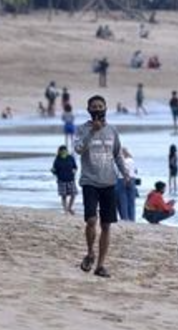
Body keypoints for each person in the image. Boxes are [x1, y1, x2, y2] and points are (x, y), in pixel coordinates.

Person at [75, 95, 129, 278]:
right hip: (89, 181)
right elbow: (78, 149)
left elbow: (118, 155)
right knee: (91, 220)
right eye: (94, 107)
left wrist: (125, 173)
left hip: (109, 182)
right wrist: (92, 133)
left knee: (106, 225)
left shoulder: (113, 131)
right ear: (89, 110)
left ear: (106, 108)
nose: (98, 109)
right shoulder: (82, 129)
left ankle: (100, 265)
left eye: (100, 106)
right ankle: (90, 252)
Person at [51, 145, 77, 215]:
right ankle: (65, 210)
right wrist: (53, 171)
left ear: (67, 151)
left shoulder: (70, 158)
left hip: (71, 179)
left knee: (73, 194)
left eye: (65, 150)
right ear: (59, 152)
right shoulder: (57, 159)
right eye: (62, 151)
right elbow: (54, 170)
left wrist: (74, 172)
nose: (63, 152)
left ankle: (69, 208)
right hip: (61, 180)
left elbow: (75, 167)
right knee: (64, 196)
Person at [115, 148, 138, 222]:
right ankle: (132, 218)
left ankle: (125, 218)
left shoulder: (123, 161)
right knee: (131, 201)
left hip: (122, 179)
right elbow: (135, 171)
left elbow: (124, 171)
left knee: (123, 200)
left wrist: (126, 178)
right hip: (132, 179)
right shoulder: (132, 160)